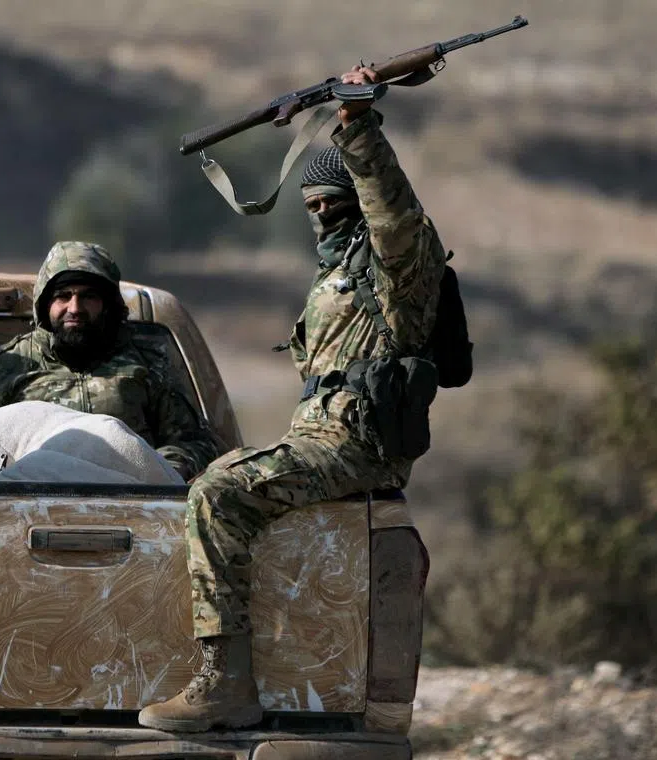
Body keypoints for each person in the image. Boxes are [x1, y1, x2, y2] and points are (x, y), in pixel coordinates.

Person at [138, 65, 448, 731]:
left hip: (358, 444)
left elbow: (391, 209)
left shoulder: (401, 268)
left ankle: (226, 684)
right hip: (321, 438)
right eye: (311, 209)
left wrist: (357, 123)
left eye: (332, 204)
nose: (321, 217)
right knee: (205, 477)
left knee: (219, 496)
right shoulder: (336, 279)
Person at [0, 240, 221, 481]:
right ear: (45, 304)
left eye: (88, 296)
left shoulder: (149, 363)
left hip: (132, 508)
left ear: (107, 304)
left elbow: (195, 444)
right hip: (30, 506)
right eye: (63, 296)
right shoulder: (7, 366)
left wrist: (155, 473)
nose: (75, 308)